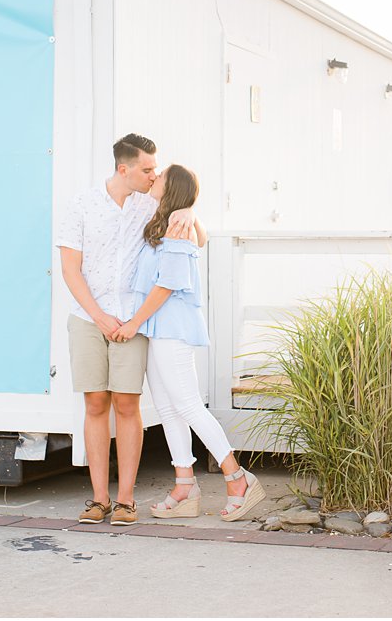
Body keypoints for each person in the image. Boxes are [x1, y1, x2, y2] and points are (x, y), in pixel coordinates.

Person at [56, 133, 196, 526]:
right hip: (88, 319)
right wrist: (100, 316)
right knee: (95, 403)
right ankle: (98, 498)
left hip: (132, 320)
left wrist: (192, 213)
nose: (154, 176)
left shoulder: (149, 207)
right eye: (147, 169)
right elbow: (70, 269)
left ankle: (126, 500)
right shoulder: (81, 205)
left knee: (127, 404)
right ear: (124, 168)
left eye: (155, 170)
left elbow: (185, 212)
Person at [115, 164, 265, 522]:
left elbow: (167, 285)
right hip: (156, 329)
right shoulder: (171, 220)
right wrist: (190, 213)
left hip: (172, 329)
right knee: (167, 407)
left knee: (187, 404)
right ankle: (184, 485)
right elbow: (203, 238)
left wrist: (133, 323)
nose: (154, 178)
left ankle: (237, 478)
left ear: (173, 188)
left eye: (161, 175)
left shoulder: (178, 228)